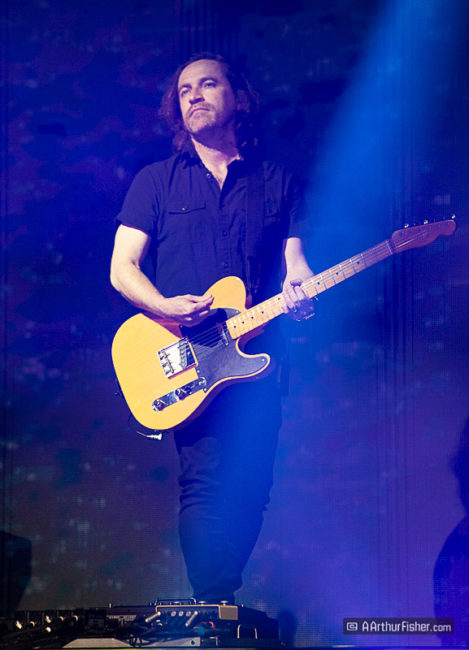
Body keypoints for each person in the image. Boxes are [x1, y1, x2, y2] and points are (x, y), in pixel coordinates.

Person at [110, 53, 315, 605]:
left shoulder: (278, 181)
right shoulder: (156, 181)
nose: (194, 95)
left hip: (259, 355)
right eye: (184, 91)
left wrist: (301, 291)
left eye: (207, 85)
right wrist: (166, 307)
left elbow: (296, 265)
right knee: (203, 480)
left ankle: (219, 601)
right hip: (187, 355)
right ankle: (213, 605)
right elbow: (122, 268)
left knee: (252, 486)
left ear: (238, 97)